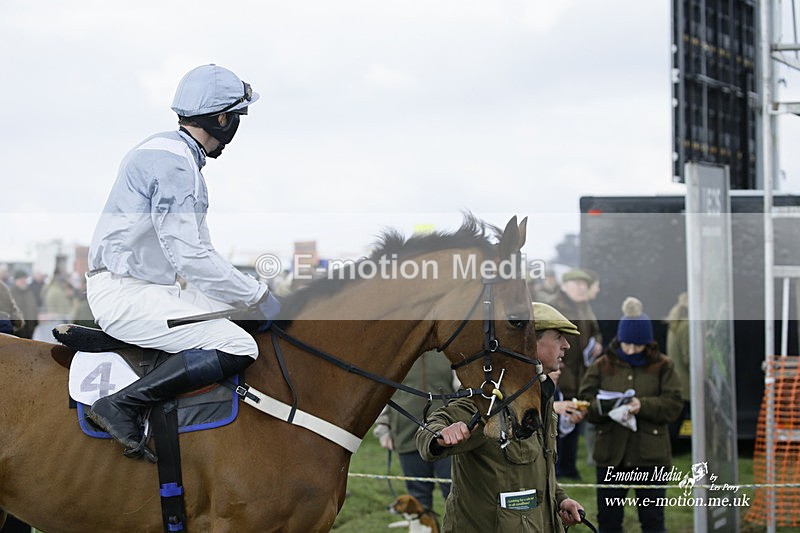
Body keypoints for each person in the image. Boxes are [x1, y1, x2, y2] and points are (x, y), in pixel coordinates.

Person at [85, 64, 280, 459]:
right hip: (126, 294)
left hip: (145, 288)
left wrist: (246, 299)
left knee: (241, 320)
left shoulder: (173, 153)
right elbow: (191, 257)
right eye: (237, 117)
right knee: (240, 345)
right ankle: (122, 404)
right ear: (223, 119)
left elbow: (197, 255)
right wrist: (258, 293)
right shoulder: (175, 162)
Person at [415, 303, 585, 532]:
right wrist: (440, 436)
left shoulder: (541, 396)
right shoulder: (489, 399)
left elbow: (538, 468)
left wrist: (560, 499)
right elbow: (428, 433)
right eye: (558, 337)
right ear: (528, 343)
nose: (567, 345)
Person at [579, 297, 683, 533]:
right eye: (627, 344)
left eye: (637, 345)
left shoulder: (664, 366)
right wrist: (607, 407)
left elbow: (674, 404)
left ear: (648, 343)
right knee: (608, 520)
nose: (631, 350)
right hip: (611, 456)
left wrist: (642, 405)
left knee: (653, 520)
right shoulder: (601, 365)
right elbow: (586, 403)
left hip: (650, 457)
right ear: (619, 339)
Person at [372, 351, 457, 510]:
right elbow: (382, 393)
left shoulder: (447, 351)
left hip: (446, 435)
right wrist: (383, 429)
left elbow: (461, 389)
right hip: (406, 434)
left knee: (454, 492)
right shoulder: (396, 352)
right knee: (418, 498)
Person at [546, 268, 602, 479]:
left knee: (573, 420)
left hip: (581, 372)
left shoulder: (585, 307)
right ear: (565, 286)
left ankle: (569, 467)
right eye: (577, 284)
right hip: (561, 372)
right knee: (558, 421)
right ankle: (558, 469)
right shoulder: (556, 307)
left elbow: (595, 330)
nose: (581, 288)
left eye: (584, 285)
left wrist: (597, 343)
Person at [665, 292, 691, 442]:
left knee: (675, 420)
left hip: (677, 380)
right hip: (686, 383)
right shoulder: (686, 326)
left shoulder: (676, 323)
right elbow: (689, 358)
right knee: (675, 422)